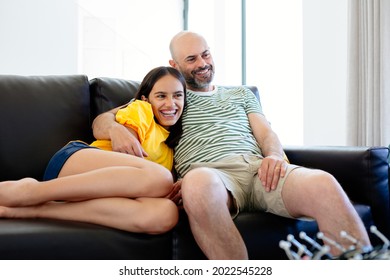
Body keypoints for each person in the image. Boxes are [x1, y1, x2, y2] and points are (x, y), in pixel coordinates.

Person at [91, 31, 372, 259]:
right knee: (198, 184)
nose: (202, 63)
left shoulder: (241, 94)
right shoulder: (170, 97)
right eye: (191, 59)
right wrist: (116, 130)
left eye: (206, 53)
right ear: (174, 65)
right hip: (211, 176)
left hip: (259, 169)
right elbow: (103, 120)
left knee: (323, 182)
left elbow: (265, 132)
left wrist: (274, 154)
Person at [0, 66, 186, 235]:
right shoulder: (141, 110)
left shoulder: (170, 146)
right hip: (77, 162)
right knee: (161, 178)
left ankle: (37, 210)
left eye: (178, 95)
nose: (171, 104)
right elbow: (125, 154)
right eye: (161, 96)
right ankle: (32, 191)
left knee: (165, 214)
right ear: (146, 98)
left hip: (102, 191)